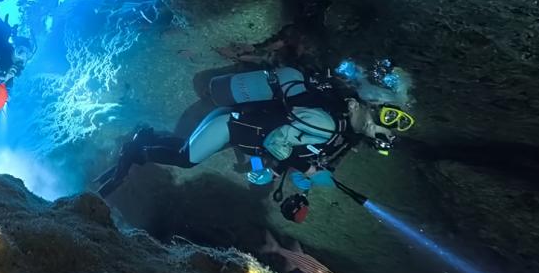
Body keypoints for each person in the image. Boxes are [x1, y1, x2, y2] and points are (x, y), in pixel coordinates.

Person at [93, 66, 415, 223]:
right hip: (232, 125)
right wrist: (301, 166)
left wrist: (286, 180)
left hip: (243, 134)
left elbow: (279, 150)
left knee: (187, 146)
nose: (380, 130)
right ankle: (137, 149)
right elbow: (277, 141)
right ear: (366, 105)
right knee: (186, 157)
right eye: (383, 117)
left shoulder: (340, 134)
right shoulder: (329, 123)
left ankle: (145, 136)